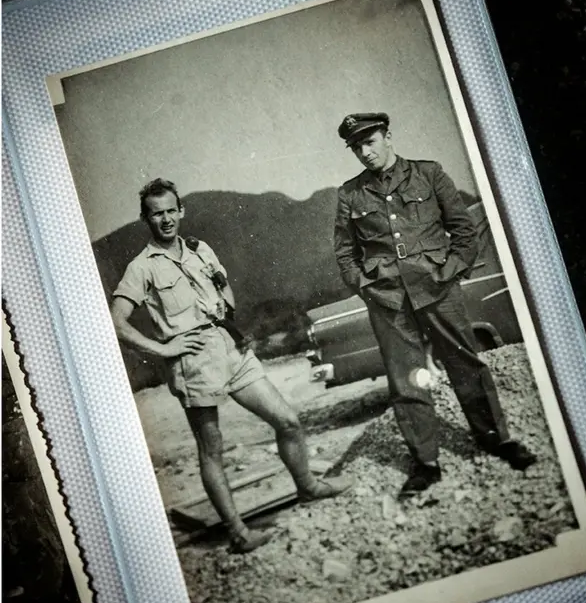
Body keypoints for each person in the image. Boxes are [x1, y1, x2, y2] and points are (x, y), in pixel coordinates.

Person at [111, 178, 350, 553]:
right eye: (157, 214)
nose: (166, 219)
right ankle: (239, 534)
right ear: (146, 218)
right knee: (213, 449)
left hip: (230, 348)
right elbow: (117, 321)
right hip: (192, 361)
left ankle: (308, 486)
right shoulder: (142, 268)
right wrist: (164, 348)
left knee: (286, 419)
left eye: (171, 210)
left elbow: (224, 288)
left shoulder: (199, 249)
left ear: (181, 211)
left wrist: (227, 309)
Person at [333, 113, 537, 499]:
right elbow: (345, 254)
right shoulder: (350, 194)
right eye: (357, 147)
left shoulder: (428, 174)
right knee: (406, 379)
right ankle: (426, 463)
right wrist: (366, 287)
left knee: (466, 364)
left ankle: (497, 440)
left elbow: (463, 230)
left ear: (388, 136)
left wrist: (449, 273)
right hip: (388, 301)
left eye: (371, 141)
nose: (365, 152)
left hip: (438, 290)